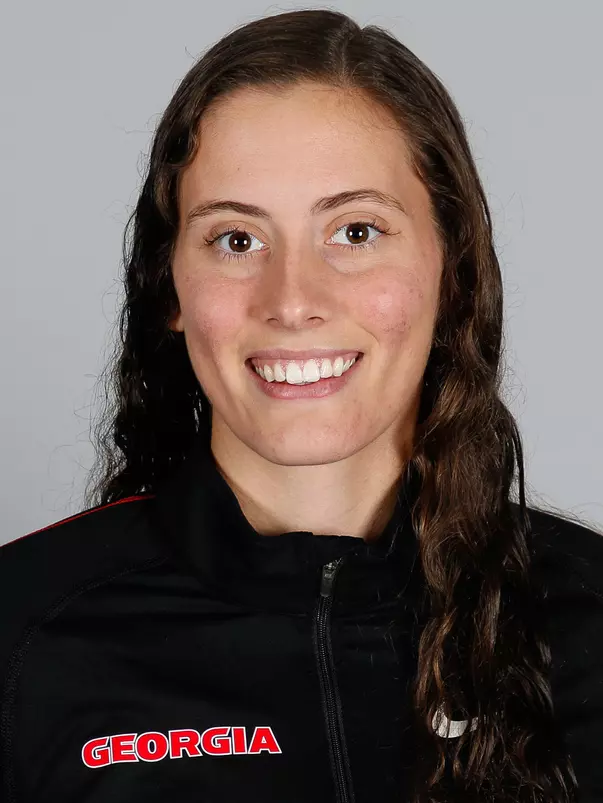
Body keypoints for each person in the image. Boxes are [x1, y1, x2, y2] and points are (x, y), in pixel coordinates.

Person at [1, 8, 601, 803]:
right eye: (236, 240)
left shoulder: (590, 619)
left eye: (355, 232)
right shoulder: (23, 632)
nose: (291, 301)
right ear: (168, 286)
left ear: (452, 268)